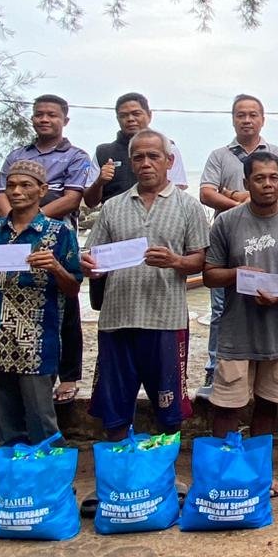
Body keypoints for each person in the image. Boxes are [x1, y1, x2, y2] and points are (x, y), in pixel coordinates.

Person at [79, 130, 208, 513]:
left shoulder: (188, 207)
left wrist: (176, 262)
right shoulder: (114, 206)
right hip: (117, 319)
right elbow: (92, 258)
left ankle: (164, 473)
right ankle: (120, 475)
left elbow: (201, 260)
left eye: (154, 156)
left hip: (166, 319)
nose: (146, 164)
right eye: (139, 158)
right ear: (130, 162)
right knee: (114, 404)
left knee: (168, 404)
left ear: (169, 161)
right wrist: (92, 267)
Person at [203, 152, 278, 497]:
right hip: (236, 332)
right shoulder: (226, 222)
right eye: (259, 178)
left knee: (268, 404)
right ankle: (225, 475)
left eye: (273, 178)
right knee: (226, 405)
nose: (267, 184)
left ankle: (259, 474)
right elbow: (209, 275)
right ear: (246, 183)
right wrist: (238, 273)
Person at [0, 160, 82, 445]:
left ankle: (51, 482)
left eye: (25, 185)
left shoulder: (59, 233)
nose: (17, 191)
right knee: (8, 423)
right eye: (11, 185)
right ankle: (18, 482)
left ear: (42, 190)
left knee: (42, 421)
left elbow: (73, 288)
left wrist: (56, 268)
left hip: (36, 342)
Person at [0, 94, 95, 405]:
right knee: (11, 300)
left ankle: (68, 377)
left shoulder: (76, 156)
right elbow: (1, 193)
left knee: (65, 306)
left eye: (51, 114)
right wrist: (13, 222)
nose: (44, 119)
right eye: (39, 114)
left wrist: (33, 220)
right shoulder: (16, 154)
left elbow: (73, 199)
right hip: (11, 238)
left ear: (65, 119)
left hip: (57, 234)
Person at [198, 94, 278, 395]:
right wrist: (242, 203)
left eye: (253, 114)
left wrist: (239, 195)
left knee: (271, 301)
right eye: (241, 115)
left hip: (271, 237)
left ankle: (267, 368)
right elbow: (206, 194)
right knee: (221, 307)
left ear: (262, 118)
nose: (247, 120)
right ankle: (215, 369)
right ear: (233, 118)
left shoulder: (276, 152)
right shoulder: (219, 155)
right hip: (229, 239)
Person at [82, 92, 190, 208]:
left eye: (136, 114)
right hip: (114, 220)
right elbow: (90, 203)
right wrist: (99, 182)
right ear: (117, 119)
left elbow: (178, 192)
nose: (130, 119)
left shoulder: (168, 148)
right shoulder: (103, 152)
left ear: (149, 115)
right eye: (123, 115)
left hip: (160, 218)